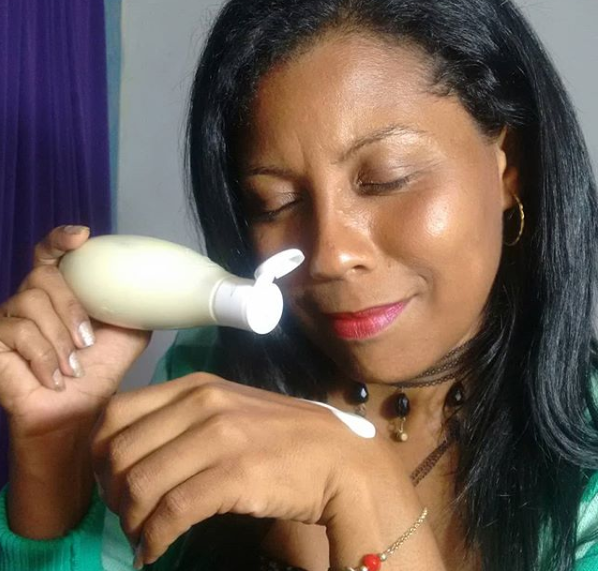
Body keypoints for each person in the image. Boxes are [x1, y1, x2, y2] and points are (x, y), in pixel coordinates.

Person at [1, 0, 597, 570]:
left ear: (508, 167)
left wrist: (363, 489)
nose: (330, 256)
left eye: (386, 179)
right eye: (275, 202)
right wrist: (52, 442)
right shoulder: (213, 377)